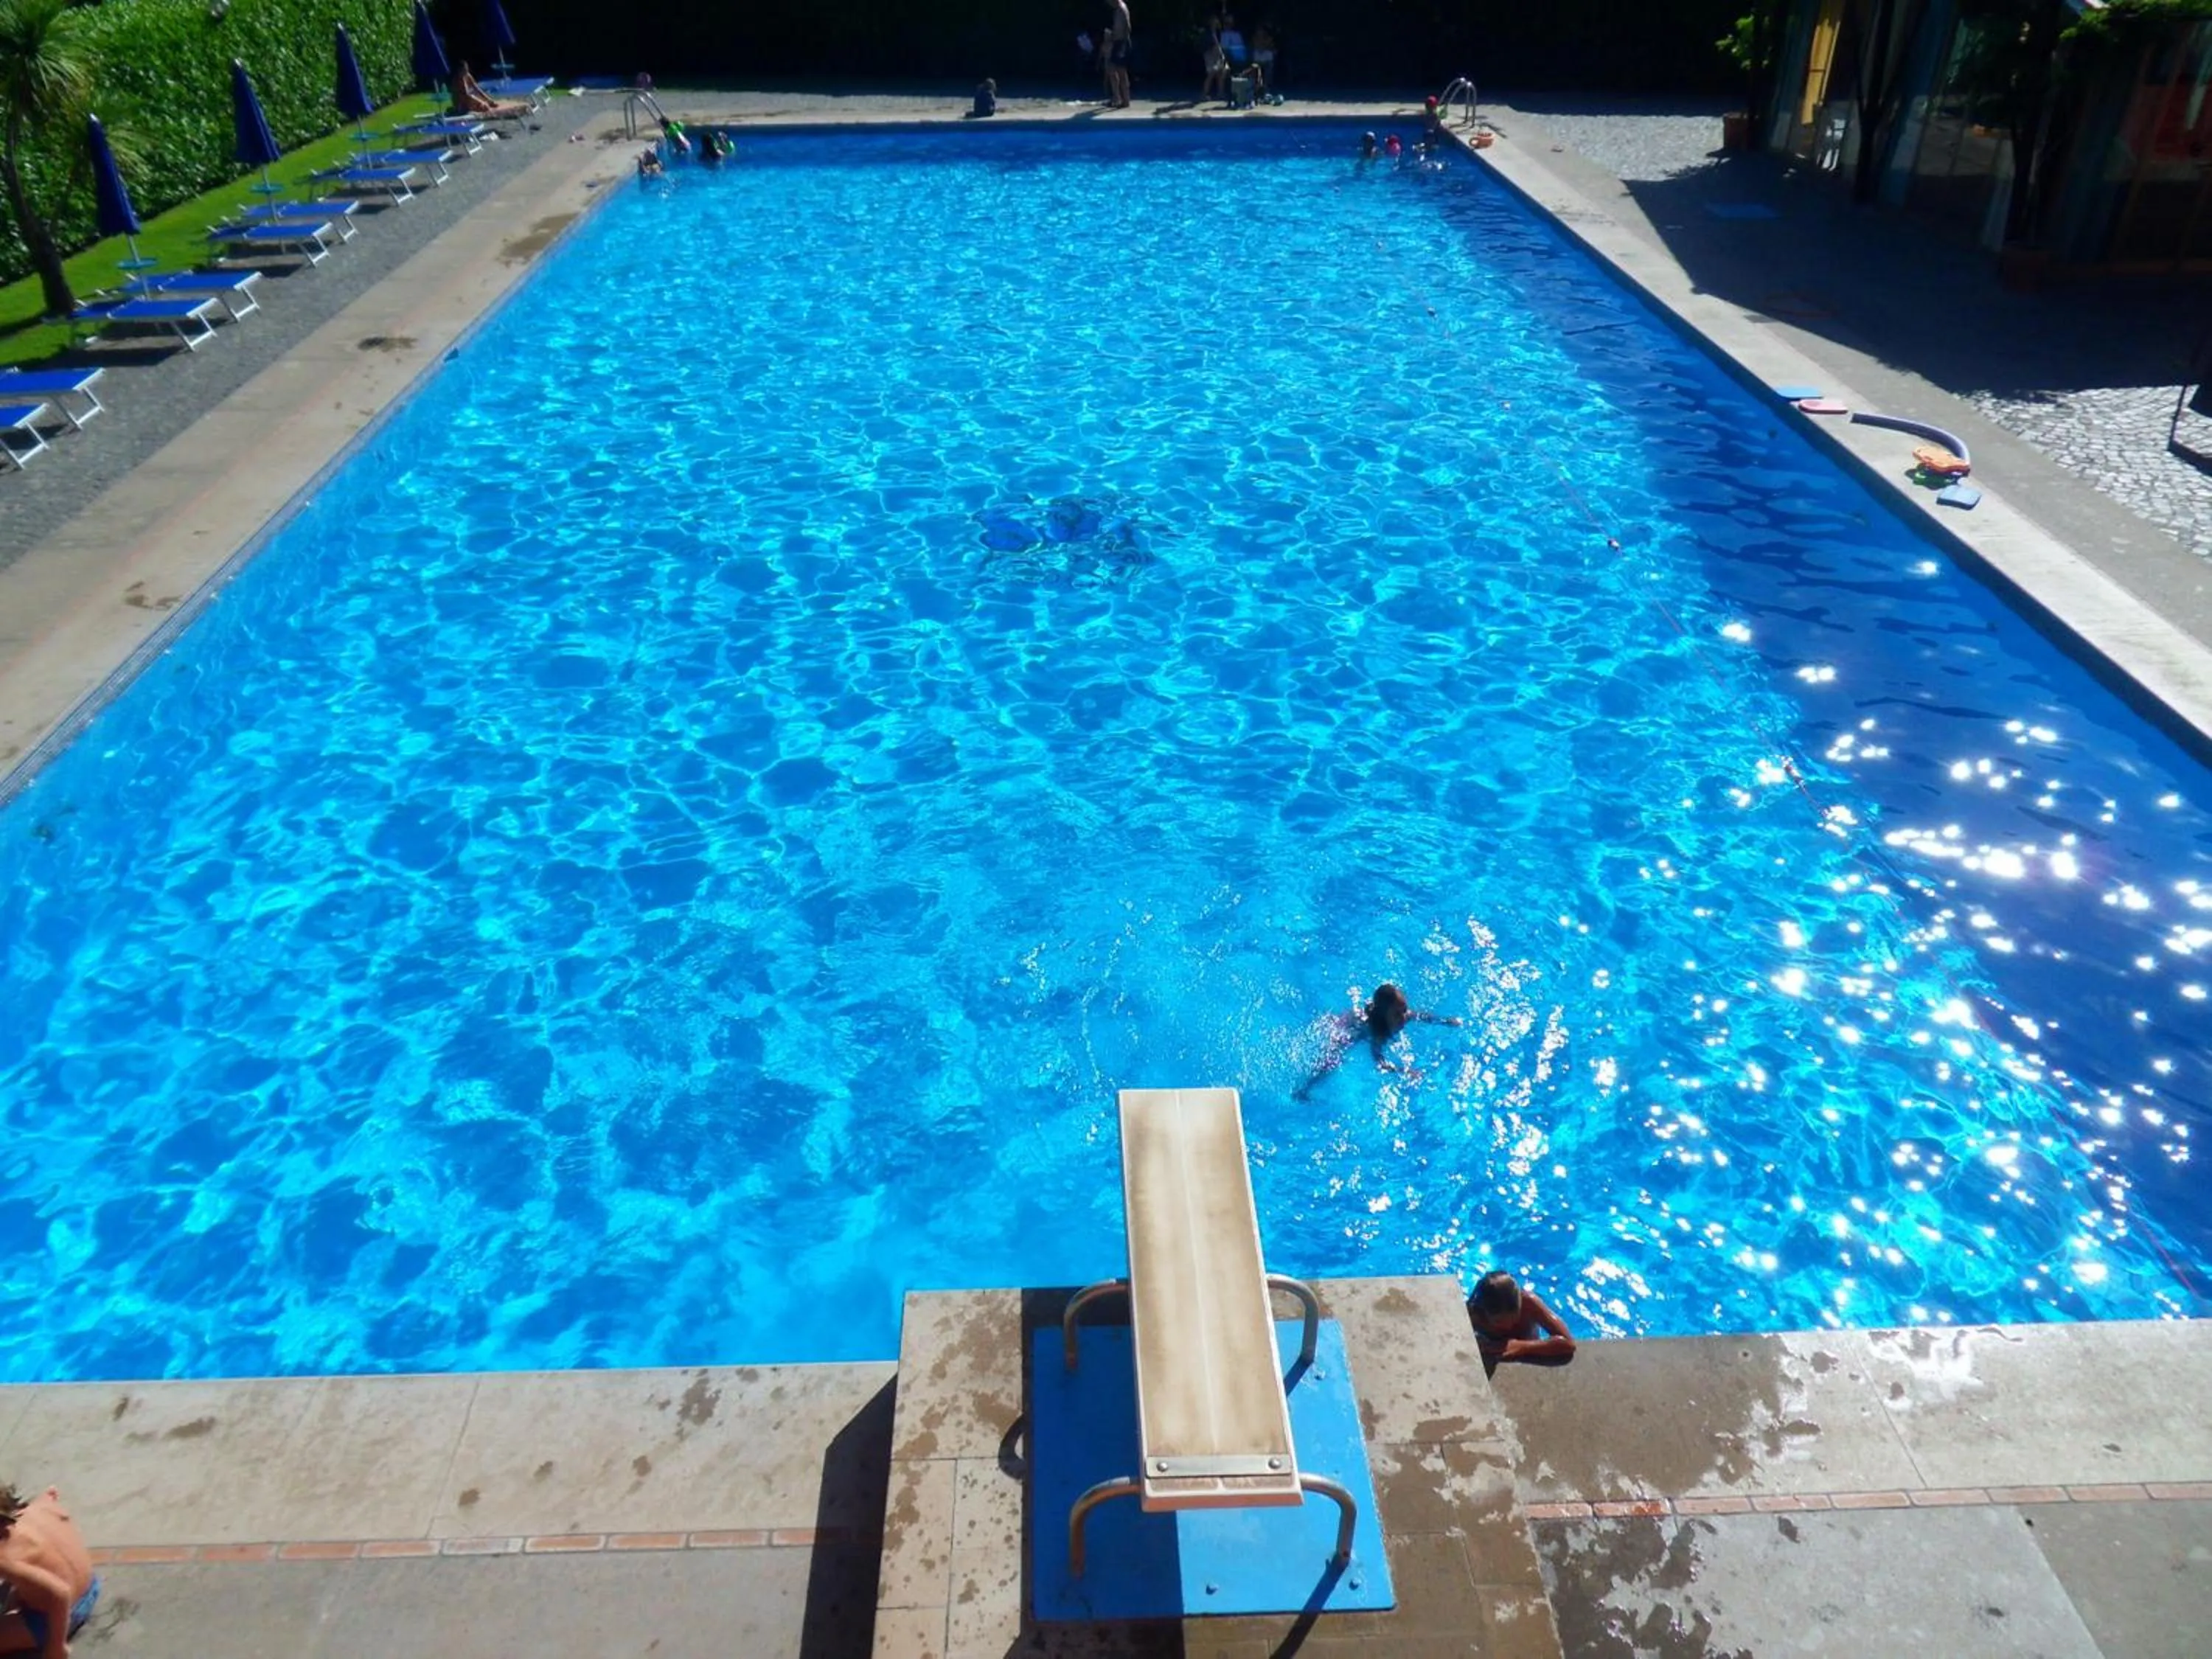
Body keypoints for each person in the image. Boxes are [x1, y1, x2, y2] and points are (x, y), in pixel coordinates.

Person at [1293, 982, 1463, 1098]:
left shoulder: (1404, 1015)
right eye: (1398, 1014)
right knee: (1333, 1060)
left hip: (1366, 1016)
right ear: (1383, 1016)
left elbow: (1422, 1016)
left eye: (1404, 1010)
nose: (1405, 1017)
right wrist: (1403, 1071)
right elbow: (1380, 1062)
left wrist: (1447, 1021)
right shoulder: (1378, 1033)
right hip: (1353, 1028)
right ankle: (1304, 1088)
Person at [0, 1485, 99, 1659]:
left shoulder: (5, 1557)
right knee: (29, 1572)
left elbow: (61, 1593)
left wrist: (57, 1648)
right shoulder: (40, 1508)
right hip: (91, 1584)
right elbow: (52, 1496)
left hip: (65, 1612)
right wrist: (49, 1495)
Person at [1466, 1271, 1577, 1373]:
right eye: (1498, 1322)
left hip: (1528, 1349)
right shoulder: (1474, 1314)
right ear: (1484, 1312)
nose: (1508, 1327)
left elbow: (1568, 1344)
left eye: (1514, 1320)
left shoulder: (1528, 1303)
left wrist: (1521, 1346)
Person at [452, 62, 529, 120]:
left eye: (467, 69)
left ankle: (482, 105)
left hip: (469, 98)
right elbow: (467, 94)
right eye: (464, 70)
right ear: (460, 71)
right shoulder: (458, 80)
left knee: (486, 105)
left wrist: (489, 100)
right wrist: (480, 102)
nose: (467, 72)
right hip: (461, 103)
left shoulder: (467, 75)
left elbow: (477, 88)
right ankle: (471, 108)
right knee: (484, 106)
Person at [1104, 0, 1133, 108]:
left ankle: (1124, 100)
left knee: (1121, 72)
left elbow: (1128, 27)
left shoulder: (1121, 9)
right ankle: (1117, 98)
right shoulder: (1117, 9)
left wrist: (1124, 44)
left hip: (1122, 43)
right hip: (1118, 42)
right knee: (1112, 70)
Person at [1200, 12, 1228, 105]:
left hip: (1218, 54)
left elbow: (1219, 44)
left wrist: (1221, 54)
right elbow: (1208, 45)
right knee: (1211, 73)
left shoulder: (1218, 32)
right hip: (1210, 54)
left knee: (1222, 72)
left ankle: (1220, 92)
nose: (1215, 22)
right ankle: (1204, 94)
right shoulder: (1207, 32)